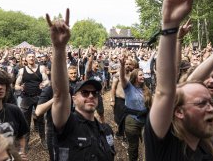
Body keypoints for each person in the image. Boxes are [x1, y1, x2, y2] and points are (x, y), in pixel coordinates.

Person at [143, 0, 213, 160]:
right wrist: (170, 25)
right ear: (178, 112)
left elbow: (193, 82)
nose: (211, 108)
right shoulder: (164, 143)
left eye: (210, 102)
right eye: (202, 103)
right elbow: (165, 91)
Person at [46, 9, 115, 161]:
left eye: (94, 93)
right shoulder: (67, 123)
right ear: (74, 99)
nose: (91, 95)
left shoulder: (107, 131)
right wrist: (59, 48)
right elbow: (59, 94)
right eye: (84, 93)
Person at [15, 51, 50, 149]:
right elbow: (16, 85)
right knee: (26, 121)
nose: (31, 58)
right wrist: (20, 88)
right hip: (26, 98)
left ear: (35, 58)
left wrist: (44, 84)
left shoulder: (41, 68)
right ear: (26, 58)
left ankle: (43, 140)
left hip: (39, 97)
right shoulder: (22, 71)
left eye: (33, 57)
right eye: (29, 57)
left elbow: (47, 80)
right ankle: (26, 143)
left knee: (41, 119)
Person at [119, 56, 152, 161]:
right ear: (135, 77)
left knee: (148, 145)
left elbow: (151, 105)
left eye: (143, 75)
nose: (143, 77)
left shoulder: (146, 89)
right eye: (141, 75)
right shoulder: (128, 87)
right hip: (131, 121)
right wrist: (122, 65)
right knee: (133, 147)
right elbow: (122, 77)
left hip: (145, 120)